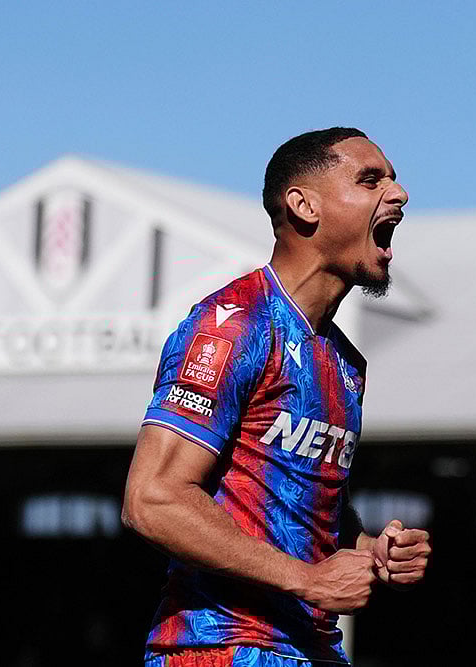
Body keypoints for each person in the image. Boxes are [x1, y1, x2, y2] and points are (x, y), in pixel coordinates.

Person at [122, 127, 431, 667]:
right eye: (370, 180)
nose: (399, 194)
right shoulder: (232, 327)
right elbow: (152, 499)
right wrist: (308, 580)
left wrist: (369, 550)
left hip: (310, 649)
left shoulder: (344, 362)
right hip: (218, 648)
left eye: (393, 180)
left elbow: (303, 510)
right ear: (304, 206)